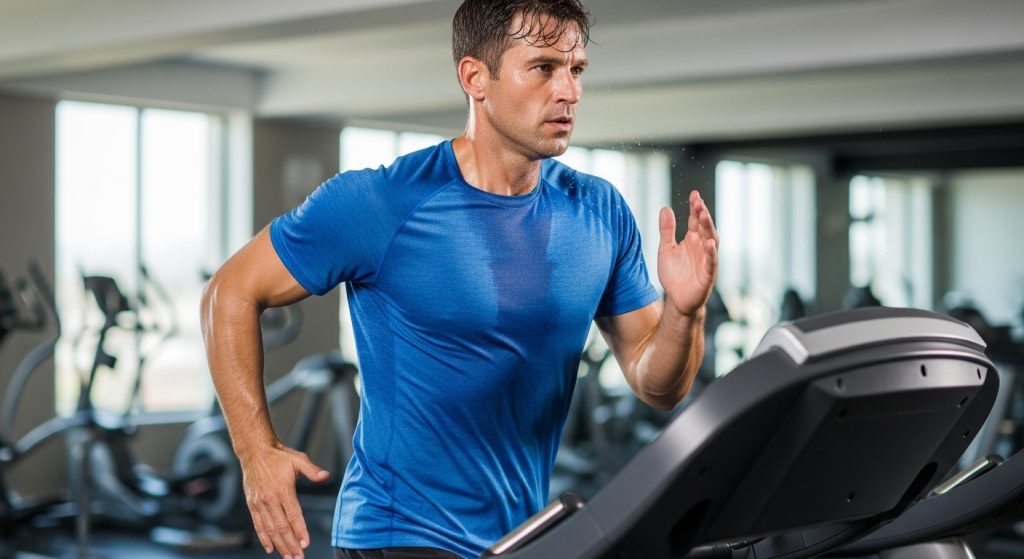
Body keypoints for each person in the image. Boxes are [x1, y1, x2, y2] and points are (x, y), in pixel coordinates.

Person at [200, 0, 719, 558]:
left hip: (517, 538)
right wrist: (257, 452)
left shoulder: (599, 210)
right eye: (544, 68)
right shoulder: (382, 202)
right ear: (475, 77)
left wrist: (684, 313)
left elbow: (658, 385)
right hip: (399, 536)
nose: (569, 91)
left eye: (577, 70)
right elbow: (228, 292)